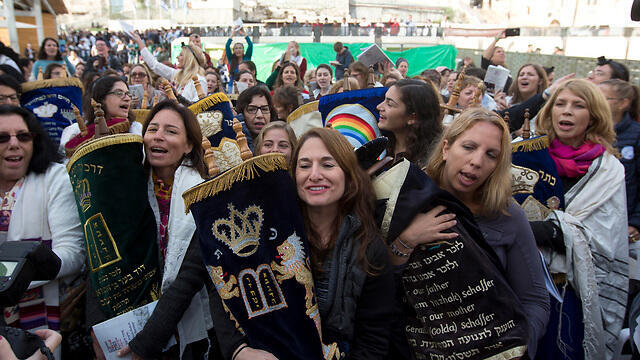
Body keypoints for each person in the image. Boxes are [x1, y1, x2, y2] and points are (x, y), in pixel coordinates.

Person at [214, 128, 395, 360]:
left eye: (328, 165)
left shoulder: (368, 247)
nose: (315, 174)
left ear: (349, 176)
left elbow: (374, 341)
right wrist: (239, 350)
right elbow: (222, 288)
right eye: (305, 165)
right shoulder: (266, 232)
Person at [408, 107, 549, 357]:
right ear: (446, 148)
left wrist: (514, 349)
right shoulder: (408, 202)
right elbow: (377, 289)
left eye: (491, 155)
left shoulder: (507, 215)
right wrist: (406, 240)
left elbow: (535, 300)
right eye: (469, 147)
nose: (476, 161)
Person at [532, 79, 628, 359]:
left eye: (578, 105)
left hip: (571, 288)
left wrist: (551, 230)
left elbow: (606, 235)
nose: (567, 111)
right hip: (523, 276)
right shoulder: (526, 154)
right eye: (560, 104)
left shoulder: (609, 171)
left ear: (594, 116)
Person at [115, 100, 214, 359]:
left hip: (183, 326)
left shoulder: (204, 193)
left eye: (171, 131)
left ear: (189, 144)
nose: (158, 137)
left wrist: (149, 340)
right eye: (153, 129)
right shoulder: (126, 187)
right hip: (127, 317)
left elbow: (189, 276)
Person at [0, 105, 84, 336]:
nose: (14, 144)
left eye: (24, 136)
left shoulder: (55, 178)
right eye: (2, 138)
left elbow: (72, 255)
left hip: (43, 316)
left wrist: (13, 279)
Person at [598, 79, 640, 242]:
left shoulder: (636, 135)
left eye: (603, 98)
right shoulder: (586, 130)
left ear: (623, 103)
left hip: (624, 226)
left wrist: (636, 223)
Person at [376, 79, 442, 167]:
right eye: (384, 100)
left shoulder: (430, 162)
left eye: (390, 104)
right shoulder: (380, 144)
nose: (379, 107)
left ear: (412, 117)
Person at [61, 76, 139, 150]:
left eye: (128, 94)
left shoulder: (135, 128)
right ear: (102, 99)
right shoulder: (77, 130)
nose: (127, 98)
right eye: (119, 93)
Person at [132, 32, 207, 103]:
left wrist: (176, 96)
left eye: (181, 55)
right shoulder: (179, 75)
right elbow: (155, 65)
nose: (177, 57)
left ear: (189, 59)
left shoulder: (200, 81)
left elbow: (198, 108)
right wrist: (139, 42)